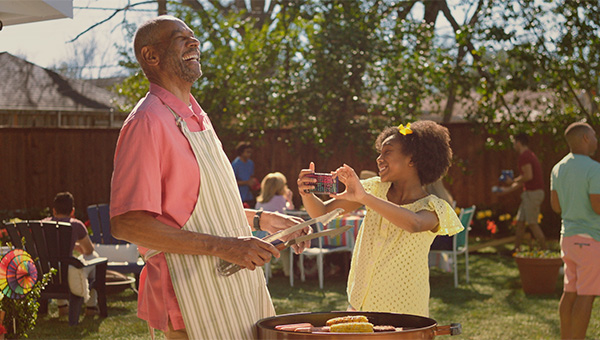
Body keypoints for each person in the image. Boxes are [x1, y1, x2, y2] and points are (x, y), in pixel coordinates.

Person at [108, 16, 310, 340]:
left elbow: (189, 208)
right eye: (180, 38)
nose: (194, 42)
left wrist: (260, 219)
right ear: (151, 56)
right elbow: (127, 222)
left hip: (236, 284)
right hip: (188, 292)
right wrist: (224, 247)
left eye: (193, 36)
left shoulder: (198, 117)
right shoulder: (147, 122)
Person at [297, 120, 463, 317]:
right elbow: (322, 213)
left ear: (412, 159)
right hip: (361, 301)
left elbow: (415, 223)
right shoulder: (374, 188)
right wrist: (306, 194)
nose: (379, 159)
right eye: (380, 152)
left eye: (387, 152)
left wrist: (364, 198)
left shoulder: (435, 207)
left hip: (404, 308)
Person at [550, 122, 600, 340]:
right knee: (586, 295)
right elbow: (597, 206)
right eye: (594, 136)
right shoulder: (594, 169)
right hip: (590, 240)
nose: (597, 140)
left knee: (570, 293)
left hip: (567, 239)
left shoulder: (558, 168)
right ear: (586, 138)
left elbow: (556, 206)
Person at [42, 192, 99, 316]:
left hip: (46, 274)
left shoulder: (42, 224)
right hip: (66, 275)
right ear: (72, 211)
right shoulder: (76, 225)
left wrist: (73, 245)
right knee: (94, 258)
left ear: (54, 210)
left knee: (57, 267)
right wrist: (78, 246)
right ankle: (91, 306)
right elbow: (89, 251)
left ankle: (62, 306)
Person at [498, 133, 547, 250]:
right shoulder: (529, 155)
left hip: (533, 194)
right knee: (520, 222)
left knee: (532, 223)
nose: (513, 145)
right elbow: (524, 180)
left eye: (514, 143)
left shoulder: (524, 156)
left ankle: (546, 251)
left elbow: (528, 176)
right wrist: (507, 190)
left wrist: (512, 180)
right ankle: (516, 249)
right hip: (529, 194)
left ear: (519, 143)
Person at [255, 172, 295, 276]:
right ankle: (288, 272)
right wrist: (289, 200)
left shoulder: (259, 201)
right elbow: (290, 210)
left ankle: (267, 272)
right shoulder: (280, 199)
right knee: (286, 248)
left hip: (261, 236)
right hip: (276, 236)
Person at [232, 141, 258, 208]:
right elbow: (232, 182)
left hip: (248, 196)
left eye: (250, 152)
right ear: (241, 152)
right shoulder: (235, 164)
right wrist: (246, 183)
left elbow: (251, 177)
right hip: (239, 196)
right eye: (247, 152)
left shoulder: (250, 163)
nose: (249, 154)